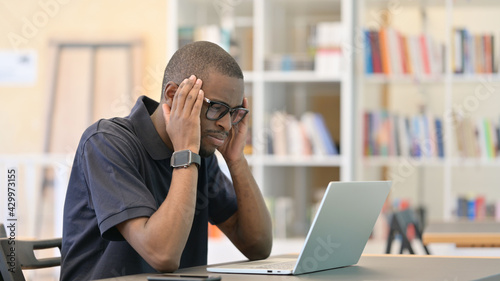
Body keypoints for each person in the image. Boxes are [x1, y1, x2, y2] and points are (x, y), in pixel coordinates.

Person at [60, 41, 273, 280]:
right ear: (173, 95)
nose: (226, 124)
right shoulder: (106, 143)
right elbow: (162, 255)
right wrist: (186, 152)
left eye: (234, 113)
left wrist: (236, 160)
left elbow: (258, 246)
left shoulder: (200, 153)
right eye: (217, 109)